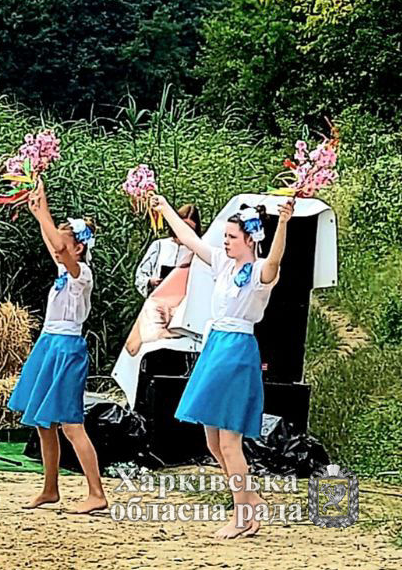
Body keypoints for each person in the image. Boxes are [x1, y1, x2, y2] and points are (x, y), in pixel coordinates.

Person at [153, 194, 294, 538]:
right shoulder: (222, 263)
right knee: (213, 441)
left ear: (250, 239)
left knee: (229, 441)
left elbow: (275, 259)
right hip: (215, 345)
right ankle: (250, 499)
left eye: (232, 237)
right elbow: (189, 239)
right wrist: (162, 206)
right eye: (225, 237)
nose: (226, 242)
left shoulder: (260, 272)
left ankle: (242, 515)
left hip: (236, 350)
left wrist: (284, 223)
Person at [7, 179, 107, 514]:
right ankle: (50, 488)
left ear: (78, 248)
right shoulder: (64, 273)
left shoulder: (82, 275)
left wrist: (45, 210)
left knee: (70, 424)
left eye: (63, 244)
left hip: (66, 349)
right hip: (49, 344)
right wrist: (39, 213)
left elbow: (60, 251)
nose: (56, 249)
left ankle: (96, 492)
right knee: (43, 422)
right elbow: (56, 249)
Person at [124, 203, 202, 356]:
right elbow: (141, 273)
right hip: (158, 305)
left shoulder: (197, 250)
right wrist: (150, 281)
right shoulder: (160, 245)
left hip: (183, 308)